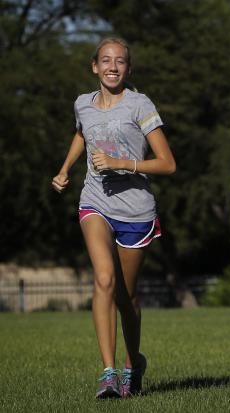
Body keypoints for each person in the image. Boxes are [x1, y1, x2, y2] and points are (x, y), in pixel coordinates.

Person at [51, 37, 176, 398]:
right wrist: (65, 169)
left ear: (128, 69)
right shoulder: (83, 104)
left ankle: (132, 362)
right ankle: (108, 374)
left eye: (120, 61)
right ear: (94, 66)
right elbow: (82, 134)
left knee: (127, 297)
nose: (112, 66)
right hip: (95, 202)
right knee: (103, 279)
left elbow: (167, 163)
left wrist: (122, 163)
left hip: (136, 210)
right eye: (106, 60)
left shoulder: (140, 104)